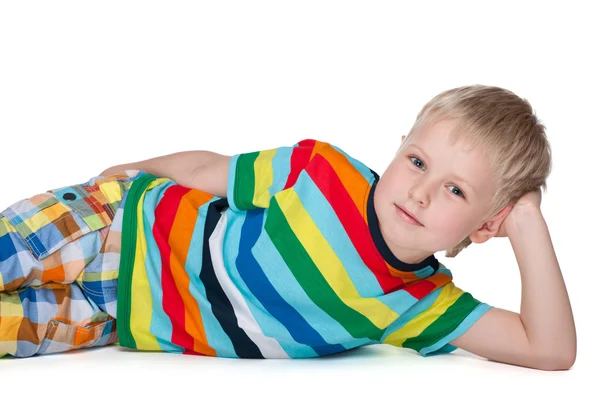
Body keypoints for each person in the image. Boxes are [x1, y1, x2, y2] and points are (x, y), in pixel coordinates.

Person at [0, 84, 576, 370]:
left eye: (456, 190)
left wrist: (526, 221)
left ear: (484, 226)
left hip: (120, 316)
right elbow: (211, 170)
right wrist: (130, 172)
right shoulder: (325, 172)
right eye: (418, 162)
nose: (421, 191)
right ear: (399, 149)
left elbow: (550, 350)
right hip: (120, 225)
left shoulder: (419, 303)